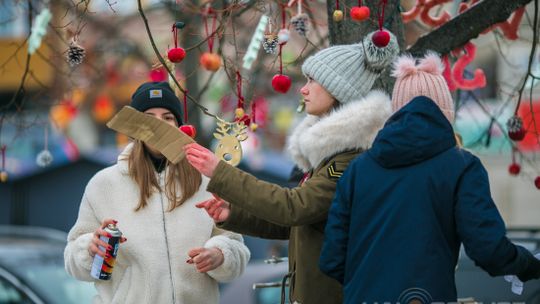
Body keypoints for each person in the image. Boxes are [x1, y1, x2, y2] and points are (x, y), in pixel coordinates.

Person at [184, 30, 399, 304]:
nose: (303, 89)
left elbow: (293, 207)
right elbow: (298, 223)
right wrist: (233, 213)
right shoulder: (331, 157)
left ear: (338, 90)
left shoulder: (349, 161)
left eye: (313, 80)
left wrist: (220, 172)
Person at [319, 53, 540, 303]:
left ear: (395, 113)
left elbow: (332, 260)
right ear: (446, 114)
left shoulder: (357, 169)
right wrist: (529, 266)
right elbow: (487, 249)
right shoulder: (462, 167)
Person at [64, 82, 250, 304]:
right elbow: (73, 261)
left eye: (168, 117)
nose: (159, 124)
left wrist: (220, 255)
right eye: (149, 117)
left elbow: (237, 248)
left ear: (178, 125)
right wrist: (90, 249)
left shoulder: (205, 180)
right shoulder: (103, 184)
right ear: (135, 127)